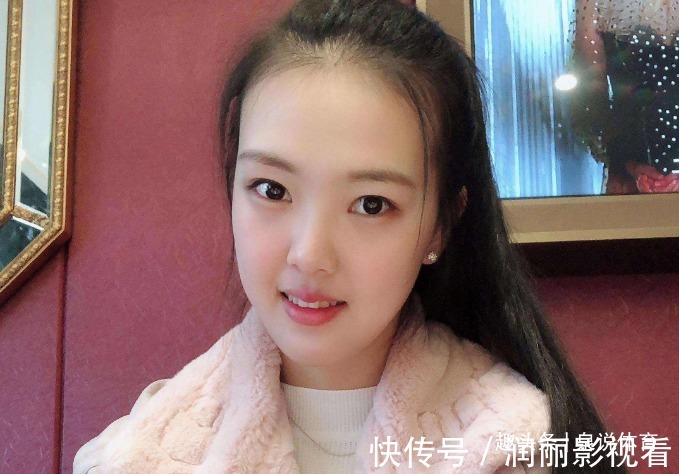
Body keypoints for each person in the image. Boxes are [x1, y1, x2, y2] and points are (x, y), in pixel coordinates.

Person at [74, 1, 627, 472]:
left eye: (371, 204)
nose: (309, 254)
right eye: (271, 190)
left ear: (441, 224)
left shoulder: (524, 448)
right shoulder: (135, 456)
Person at [570, 0, 679, 194]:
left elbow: (592, 95)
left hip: (632, 163)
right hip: (633, 168)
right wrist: (627, 164)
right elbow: (592, 95)